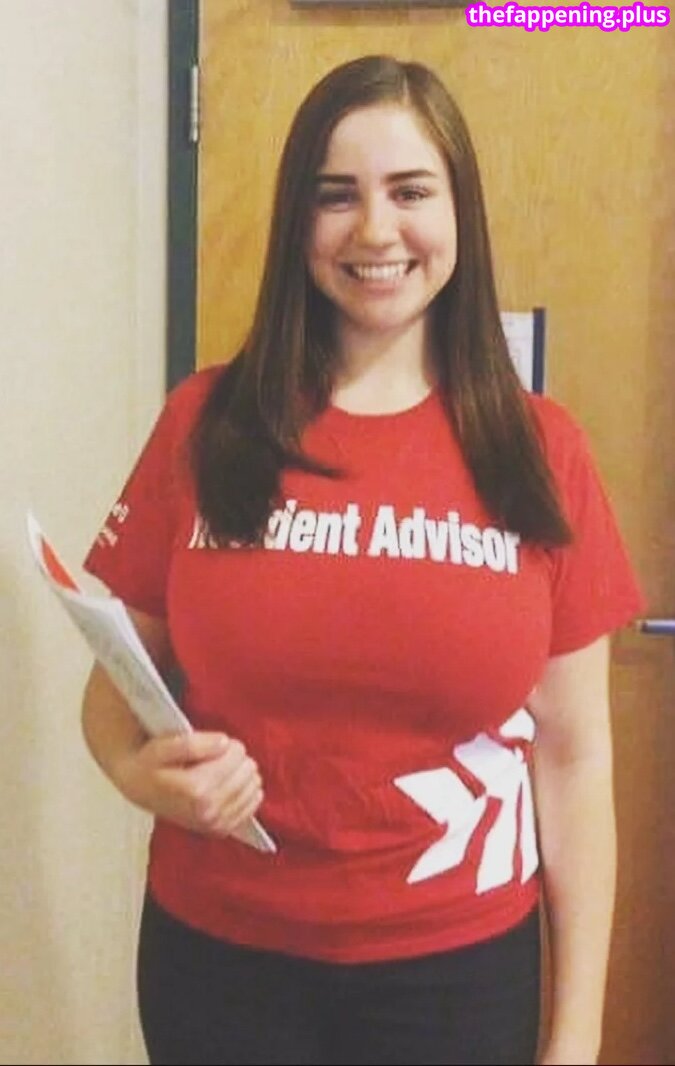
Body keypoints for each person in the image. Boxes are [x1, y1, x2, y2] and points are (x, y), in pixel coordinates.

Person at [81, 55, 644, 1066]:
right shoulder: (206, 423)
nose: (375, 231)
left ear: (459, 214)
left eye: (410, 192)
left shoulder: (538, 448)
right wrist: (141, 773)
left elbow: (574, 759)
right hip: (219, 964)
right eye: (336, 195)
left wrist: (577, 1035)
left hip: (458, 975)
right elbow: (111, 695)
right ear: (297, 221)